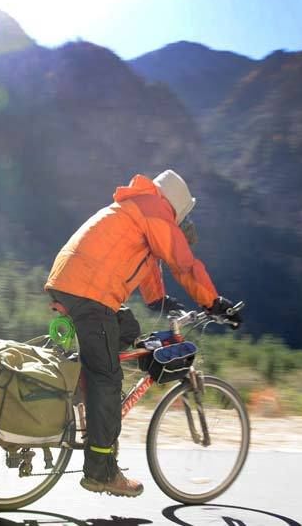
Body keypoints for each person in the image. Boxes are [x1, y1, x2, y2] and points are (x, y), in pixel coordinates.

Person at [45, 169, 242, 497]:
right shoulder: (157, 212)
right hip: (90, 294)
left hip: (72, 281)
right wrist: (214, 302)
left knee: (129, 329)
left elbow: (149, 262)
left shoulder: (138, 207)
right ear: (177, 207)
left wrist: (158, 299)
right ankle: (101, 472)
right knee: (107, 380)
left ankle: (81, 389)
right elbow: (184, 264)